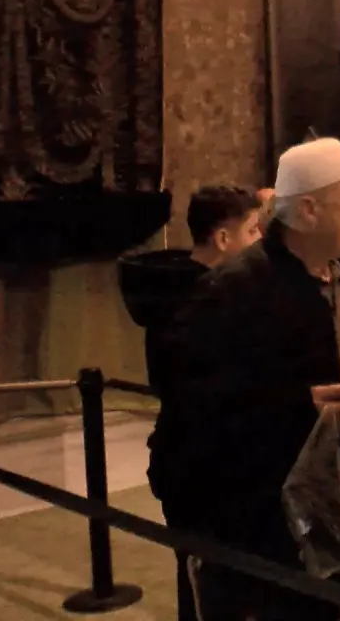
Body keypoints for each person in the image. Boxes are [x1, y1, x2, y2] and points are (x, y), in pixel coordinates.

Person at [166, 138, 340, 620]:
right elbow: (193, 423)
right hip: (288, 551)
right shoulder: (231, 295)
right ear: (307, 210)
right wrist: (291, 405)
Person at [117, 184, 263, 621]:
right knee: (219, 590)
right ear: (223, 238)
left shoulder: (186, 295)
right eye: (253, 230)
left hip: (190, 459)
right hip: (207, 466)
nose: (259, 241)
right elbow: (209, 392)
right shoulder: (202, 303)